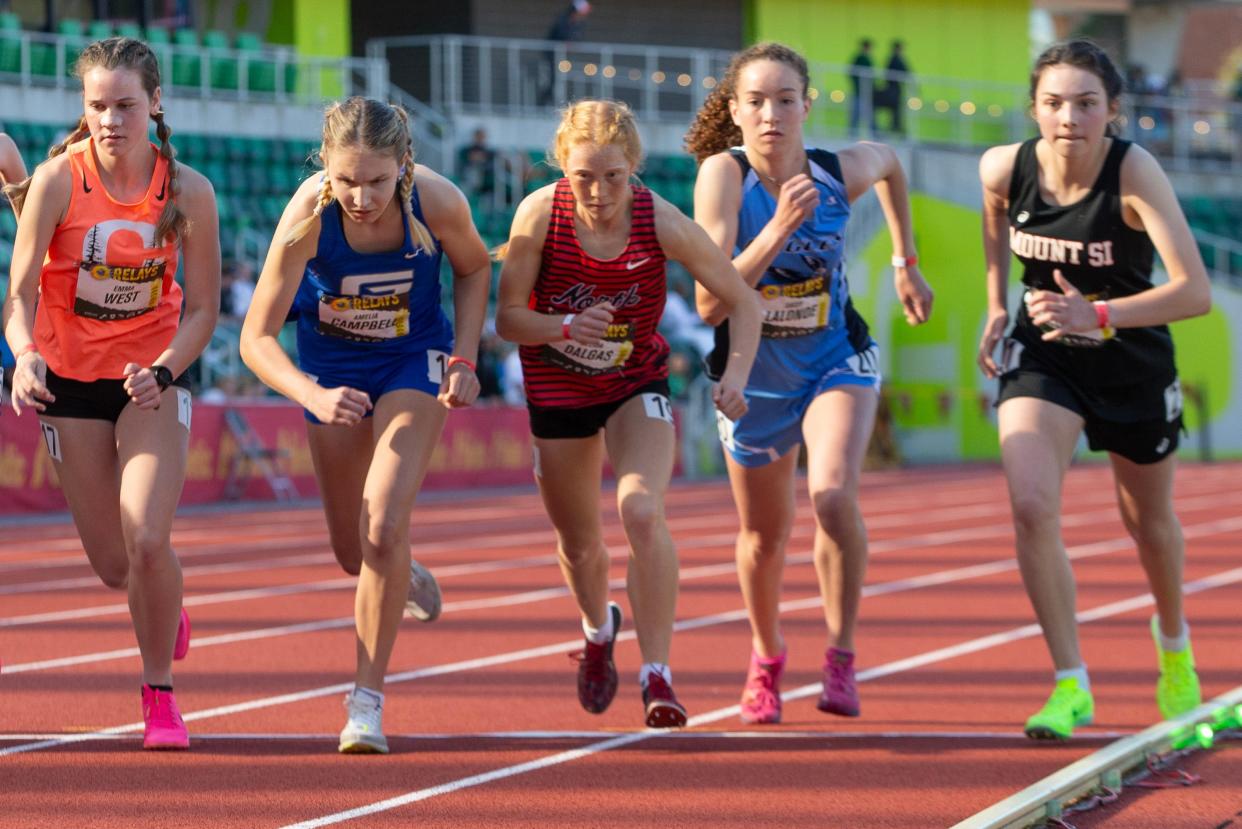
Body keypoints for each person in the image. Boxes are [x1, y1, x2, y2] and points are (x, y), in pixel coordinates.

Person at [685, 41, 933, 725]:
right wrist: (782, 226)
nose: (771, 115)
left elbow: (889, 162)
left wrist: (907, 260)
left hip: (834, 358)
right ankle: (767, 656)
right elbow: (711, 304)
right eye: (756, 102)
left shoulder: (835, 169)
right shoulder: (723, 177)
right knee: (764, 537)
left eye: (785, 100)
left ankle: (842, 653)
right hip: (753, 378)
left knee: (830, 494)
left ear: (806, 105)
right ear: (734, 111)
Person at [496, 99, 760, 727]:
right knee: (580, 544)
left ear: (634, 168)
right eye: (583, 175)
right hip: (557, 390)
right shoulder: (539, 214)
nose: (598, 191)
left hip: (634, 382)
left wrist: (736, 376)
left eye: (612, 175)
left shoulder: (659, 220)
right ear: (563, 167)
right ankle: (596, 629)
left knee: (640, 508)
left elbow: (742, 300)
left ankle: (658, 673)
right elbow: (507, 320)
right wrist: (561, 324)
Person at [239, 96, 490, 755]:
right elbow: (255, 338)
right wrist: (310, 394)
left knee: (382, 520)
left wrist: (465, 356)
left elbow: (475, 267)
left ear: (405, 164)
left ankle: (365, 702)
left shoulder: (437, 202)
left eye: (377, 181)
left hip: (413, 360)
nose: (360, 196)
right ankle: (400, 572)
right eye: (346, 179)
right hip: (331, 373)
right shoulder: (307, 214)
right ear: (325, 165)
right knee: (355, 552)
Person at [977, 39, 1211, 740]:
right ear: (1034, 108)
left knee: (1149, 524)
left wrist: (1099, 313)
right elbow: (993, 218)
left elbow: (1194, 291)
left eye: (1085, 104)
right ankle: (1070, 683)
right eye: (1052, 103)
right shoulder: (1004, 166)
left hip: (1133, 359)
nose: (1067, 118)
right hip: (1046, 357)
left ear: (1112, 110)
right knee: (1029, 503)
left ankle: (1173, 646)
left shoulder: (1133, 170)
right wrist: (996, 301)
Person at [2, 37, 219, 750]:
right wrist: (26, 355)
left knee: (148, 534)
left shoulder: (187, 190)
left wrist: (162, 368)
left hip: (152, 379)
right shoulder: (61, 181)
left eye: (125, 105)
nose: (110, 120)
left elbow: (204, 310)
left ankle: (158, 692)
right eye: (97, 105)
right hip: (69, 381)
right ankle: (164, 602)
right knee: (114, 565)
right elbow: (20, 291)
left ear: (154, 103)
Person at [538, 0, 592, 106]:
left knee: (558, 80)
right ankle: (544, 103)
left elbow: (576, 38)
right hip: (552, 55)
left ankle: (553, 103)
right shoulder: (563, 20)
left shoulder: (578, 23)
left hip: (563, 58)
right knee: (552, 80)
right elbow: (559, 35)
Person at [881, 40, 910, 135]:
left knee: (895, 108)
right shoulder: (895, 59)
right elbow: (905, 71)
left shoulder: (894, 59)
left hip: (894, 87)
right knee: (895, 108)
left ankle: (895, 126)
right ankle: (895, 126)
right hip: (893, 88)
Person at [848, 38, 876, 135]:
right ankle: (854, 132)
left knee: (863, 113)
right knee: (861, 112)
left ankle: (854, 132)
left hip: (864, 90)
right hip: (861, 90)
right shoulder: (861, 58)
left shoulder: (862, 58)